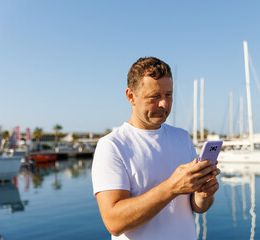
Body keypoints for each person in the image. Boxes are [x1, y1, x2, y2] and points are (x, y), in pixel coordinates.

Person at [92, 57, 220, 240]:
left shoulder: (182, 137)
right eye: (154, 97)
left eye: (168, 95)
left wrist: (204, 194)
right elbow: (114, 222)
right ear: (131, 96)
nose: (164, 104)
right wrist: (172, 187)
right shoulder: (112, 146)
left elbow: (197, 207)